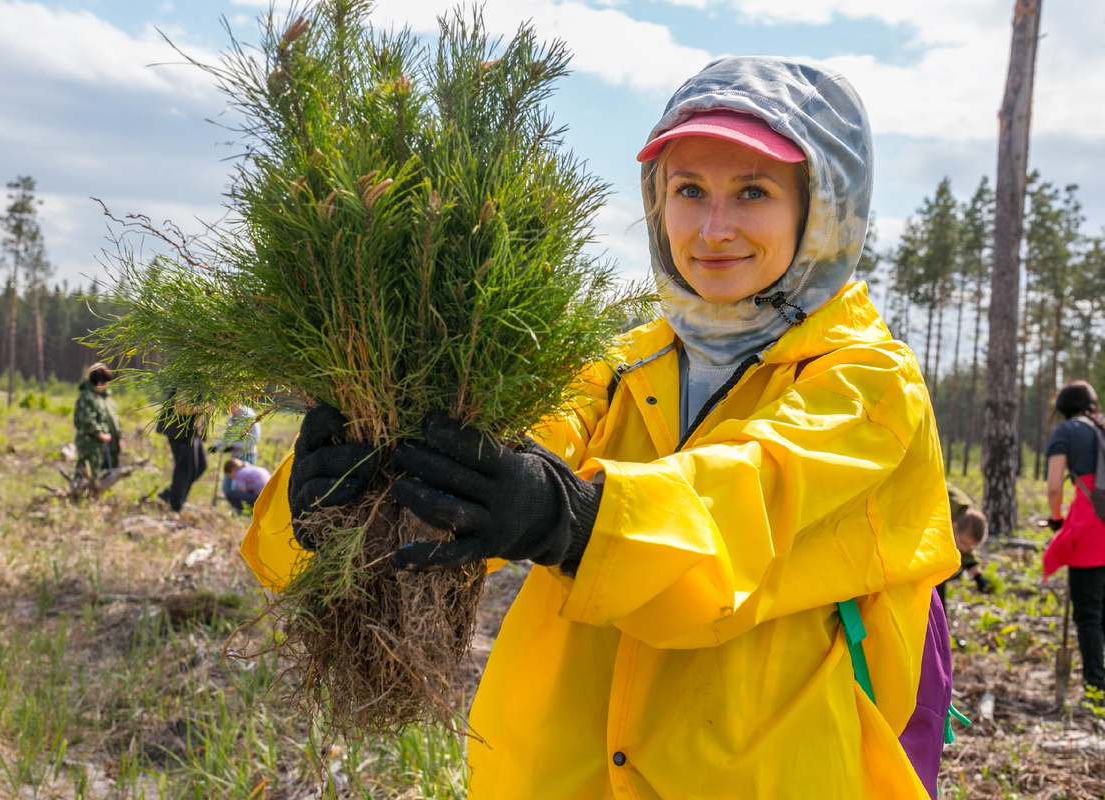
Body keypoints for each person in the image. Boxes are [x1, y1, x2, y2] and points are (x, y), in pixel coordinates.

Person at [243, 57, 959, 798]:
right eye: (689, 191)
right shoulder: (619, 366)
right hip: (555, 773)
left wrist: (573, 521)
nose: (714, 229)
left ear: (824, 209)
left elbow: (748, 499)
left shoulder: (868, 385)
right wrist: (343, 505)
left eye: (753, 192)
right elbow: (516, 460)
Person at [1042, 380, 1105, 693]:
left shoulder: (1066, 432)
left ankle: (1096, 685)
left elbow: (1055, 486)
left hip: (1092, 528)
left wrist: (1056, 519)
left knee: (1089, 613)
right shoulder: (1102, 426)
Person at [936, 483, 990, 611]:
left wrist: (976, 574)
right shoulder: (942, 511)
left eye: (970, 546)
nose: (965, 549)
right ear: (953, 527)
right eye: (964, 544)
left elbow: (964, 543)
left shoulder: (967, 516)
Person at [155, 388, 207, 513]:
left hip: (192, 433)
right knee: (185, 469)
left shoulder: (202, 379)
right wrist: (204, 408)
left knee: (200, 466)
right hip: (180, 432)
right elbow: (180, 408)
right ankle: (175, 505)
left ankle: (171, 494)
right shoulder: (188, 378)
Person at [73, 362, 121, 479]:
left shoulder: (101, 397)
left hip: (99, 444)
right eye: (104, 382)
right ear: (98, 382)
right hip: (89, 443)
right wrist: (100, 434)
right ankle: (79, 496)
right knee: (86, 473)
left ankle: (92, 495)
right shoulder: (87, 396)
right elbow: (87, 420)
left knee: (97, 474)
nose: (106, 385)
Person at [210, 403, 262, 500]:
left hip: (247, 455)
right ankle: (233, 509)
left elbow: (255, 439)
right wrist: (217, 447)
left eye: (233, 406)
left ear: (239, 403)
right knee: (226, 487)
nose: (231, 409)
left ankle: (242, 510)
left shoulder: (249, 416)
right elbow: (227, 436)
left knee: (238, 487)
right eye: (228, 407)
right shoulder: (232, 418)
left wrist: (235, 446)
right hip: (235, 457)